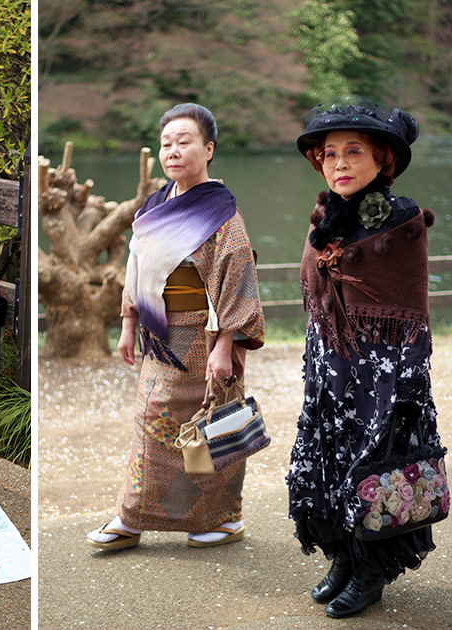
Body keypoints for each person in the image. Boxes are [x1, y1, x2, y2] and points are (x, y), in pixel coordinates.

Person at [287, 99, 446, 618]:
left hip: (382, 376)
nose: (339, 163)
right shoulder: (324, 218)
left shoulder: (401, 222)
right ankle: (341, 556)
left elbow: (409, 305)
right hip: (332, 368)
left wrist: (407, 380)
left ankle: (371, 571)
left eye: (354, 152)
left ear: (383, 161)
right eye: (329, 153)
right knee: (328, 462)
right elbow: (318, 295)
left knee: (370, 469)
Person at [86, 103, 265, 551]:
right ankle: (136, 517)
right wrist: (128, 322)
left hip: (201, 335)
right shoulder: (154, 204)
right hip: (159, 335)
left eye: (185, 142)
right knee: (158, 423)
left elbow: (238, 275)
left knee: (209, 426)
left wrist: (226, 345)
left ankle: (220, 519)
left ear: (208, 149)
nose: (173, 151)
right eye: (166, 143)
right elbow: (136, 264)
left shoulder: (221, 213)